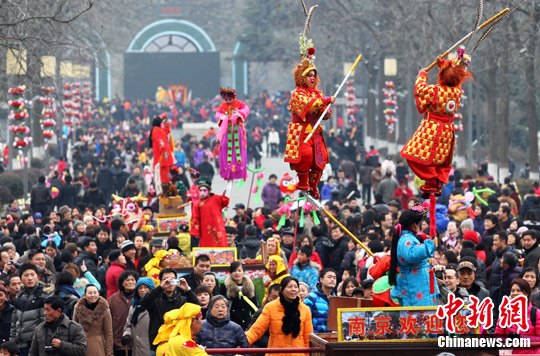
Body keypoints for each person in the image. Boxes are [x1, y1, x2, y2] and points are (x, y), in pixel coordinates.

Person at [400, 49, 473, 197]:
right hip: (448, 131)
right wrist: (442, 65)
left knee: (413, 155)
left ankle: (432, 180)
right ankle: (436, 182)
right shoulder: (457, 93)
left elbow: (420, 89)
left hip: (432, 128)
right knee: (439, 160)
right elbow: (452, 79)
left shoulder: (435, 91)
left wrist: (422, 75)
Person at [283, 37, 335, 199]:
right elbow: (309, 105)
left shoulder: (318, 92)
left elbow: (324, 114)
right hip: (301, 131)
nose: (312, 78)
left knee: (321, 160)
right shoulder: (297, 93)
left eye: (314, 75)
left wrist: (326, 110)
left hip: (315, 130)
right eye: (308, 75)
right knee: (305, 156)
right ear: (302, 77)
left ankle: (313, 186)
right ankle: (303, 182)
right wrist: (324, 101)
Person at [245, 277, 313, 356]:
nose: (293, 289)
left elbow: (308, 337)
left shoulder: (305, 309)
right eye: (290, 286)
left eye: (295, 287)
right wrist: (243, 342)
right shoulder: (270, 307)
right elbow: (257, 330)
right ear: (282, 289)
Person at [140, 268, 198, 355]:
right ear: (160, 282)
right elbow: (144, 303)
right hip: (157, 344)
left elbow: (195, 307)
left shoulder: (183, 300)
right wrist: (160, 288)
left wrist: (187, 289)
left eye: (172, 279)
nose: (169, 282)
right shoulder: (155, 299)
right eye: (165, 279)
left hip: (178, 345)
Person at [389, 208, 439, 306]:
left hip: (419, 282)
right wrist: (429, 245)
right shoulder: (406, 239)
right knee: (419, 318)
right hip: (415, 285)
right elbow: (412, 255)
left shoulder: (407, 238)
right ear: (414, 225)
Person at [10, 263, 54, 356]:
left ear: (38, 277)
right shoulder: (20, 295)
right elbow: (14, 322)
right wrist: (12, 341)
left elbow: (46, 321)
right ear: (21, 278)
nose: (29, 278)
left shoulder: (45, 294)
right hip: (20, 345)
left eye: (32, 274)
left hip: (37, 345)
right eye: (26, 275)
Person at [495, 278, 540, 354]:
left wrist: (520, 338)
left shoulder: (535, 313)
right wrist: (508, 340)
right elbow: (498, 336)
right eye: (512, 290)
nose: (514, 293)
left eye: (518, 290)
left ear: (526, 293)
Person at [215, 87, 250, 181]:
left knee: (239, 149)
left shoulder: (239, 103)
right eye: (226, 99)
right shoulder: (222, 106)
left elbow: (246, 110)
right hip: (227, 131)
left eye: (229, 99)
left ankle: (239, 172)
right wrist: (222, 117)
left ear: (233, 97)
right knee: (225, 148)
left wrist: (239, 113)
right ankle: (227, 172)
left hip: (237, 130)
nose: (228, 101)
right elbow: (217, 114)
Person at [73, 284, 113, 356]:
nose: (93, 295)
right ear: (85, 295)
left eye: (95, 292)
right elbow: (74, 330)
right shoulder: (78, 308)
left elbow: (108, 334)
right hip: (81, 345)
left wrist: (109, 353)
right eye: (90, 293)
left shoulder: (105, 309)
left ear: (99, 294)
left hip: (99, 345)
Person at [190, 177, 230, 247]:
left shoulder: (216, 198)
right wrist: (196, 233)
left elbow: (226, 200)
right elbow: (195, 219)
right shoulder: (197, 204)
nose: (202, 192)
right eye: (200, 190)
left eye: (204, 190)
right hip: (205, 231)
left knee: (221, 246)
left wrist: (229, 184)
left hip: (218, 229)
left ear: (209, 191)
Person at [219, 261, 258, 330]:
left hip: (246, 323)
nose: (237, 273)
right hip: (231, 323)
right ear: (230, 272)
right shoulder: (224, 286)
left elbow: (254, 307)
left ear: (243, 272)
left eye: (239, 270)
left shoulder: (250, 286)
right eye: (234, 271)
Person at [108, 271, 138, 356]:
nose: (130, 282)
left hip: (136, 343)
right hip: (118, 343)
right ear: (122, 283)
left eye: (133, 279)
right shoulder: (113, 299)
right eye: (127, 280)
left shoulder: (140, 298)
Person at [122, 277, 154, 356]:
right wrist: (127, 335)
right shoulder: (134, 307)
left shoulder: (156, 305)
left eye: (146, 287)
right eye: (140, 288)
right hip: (136, 349)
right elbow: (128, 325)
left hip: (150, 349)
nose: (143, 290)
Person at [303, 268, 337, 333]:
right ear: (321, 279)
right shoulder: (311, 297)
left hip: (331, 339)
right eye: (329, 277)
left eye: (334, 278)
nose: (332, 280)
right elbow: (304, 319)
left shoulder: (336, 299)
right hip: (315, 338)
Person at [148, 113, 175, 195]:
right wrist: (164, 153)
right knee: (163, 179)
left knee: (167, 176)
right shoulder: (156, 131)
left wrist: (164, 120)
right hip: (162, 159)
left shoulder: (157, 130)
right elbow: (161, 143)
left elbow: (166, 131)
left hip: (164, 158)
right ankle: (164, 193)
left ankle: (168, 190)